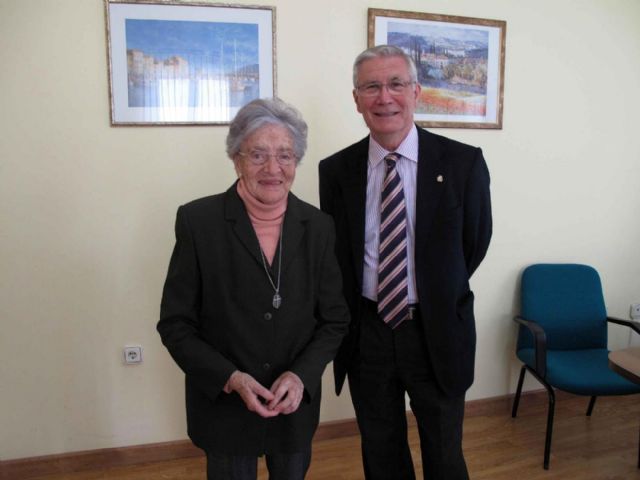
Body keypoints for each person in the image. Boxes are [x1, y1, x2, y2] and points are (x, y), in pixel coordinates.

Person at [318, 45, 492, 479]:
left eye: (396, 84)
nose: (385, 97)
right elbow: (339, 254)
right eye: (371, 86)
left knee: (445, 452)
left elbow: (474, 243)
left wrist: (430, 290)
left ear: (416, 91)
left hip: (436, 330)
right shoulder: (335, 170)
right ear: (356, 99)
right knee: (381, 450)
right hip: (368, 333)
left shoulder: (462, 163)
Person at [158, 97, 350, 480]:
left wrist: (301, 376)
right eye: (258, 154)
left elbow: (334, 320)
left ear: (296, 161)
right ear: (236, 158)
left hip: (292, 404)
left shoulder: (319, 226)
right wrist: (230, 377)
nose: (273, 168)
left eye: (285, 155)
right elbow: (175, 324)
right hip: (225, 405)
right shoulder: (198, 222)